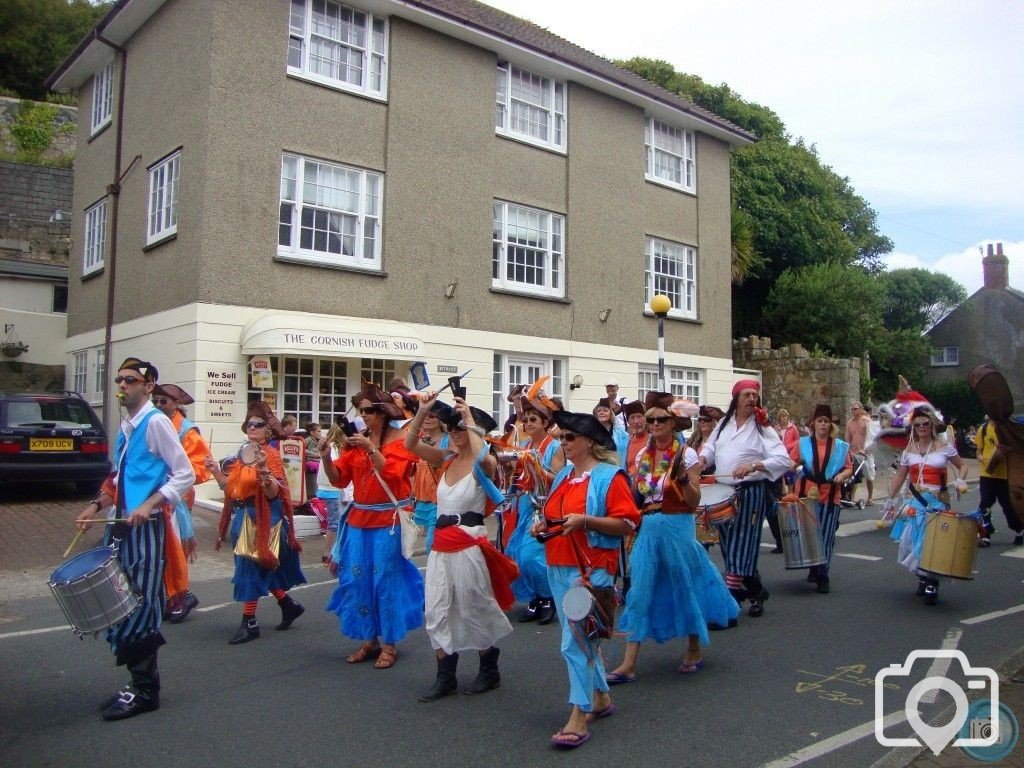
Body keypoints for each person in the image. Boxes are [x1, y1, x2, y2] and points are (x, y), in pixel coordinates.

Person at [76, 358, 195, 721]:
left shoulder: (156, 422)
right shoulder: (127, 425)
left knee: (140, 605)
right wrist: (95, 507)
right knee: (121, 601)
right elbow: (119, 477)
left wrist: (150, 503)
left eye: (130, 380)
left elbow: (184, 474)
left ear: (148, 386)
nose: (122, 385)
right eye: (119, 380)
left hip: (147, 528)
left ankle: (146, 691)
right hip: (122, 527)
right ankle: (137, 682)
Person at [606, 392, 740, 685]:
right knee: (639, 591)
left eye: (660, 419)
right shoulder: (643, 456)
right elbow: (638, 496)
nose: (653, 424)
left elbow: (693, 501)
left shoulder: (686, 454)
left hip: (677, 527)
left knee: (685, 586)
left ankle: (693, 649)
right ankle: (628, 664)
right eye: (650, 419)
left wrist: (681, 480)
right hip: (649, 528)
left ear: (673, 423)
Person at [531, 410, 640, 749]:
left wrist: (587, 520)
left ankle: (578, 713)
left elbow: (628, 523)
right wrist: (543, 528)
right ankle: (601, 699)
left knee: (575, 642)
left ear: (589, 442)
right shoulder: (565, 475)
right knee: (582, 639)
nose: (563, 443)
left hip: (591, 569)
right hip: (558, 564)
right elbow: (555, 517)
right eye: (561, 437)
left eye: (569, 437)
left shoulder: (610, 476)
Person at [403, 395, 516, 701]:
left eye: (459, 428)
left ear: (474, 432)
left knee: (473, 604)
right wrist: (423, 411)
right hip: (441, 545)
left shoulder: (485, 464)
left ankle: (489, 670)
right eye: (450, 428)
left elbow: (484, 458)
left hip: (469, 544)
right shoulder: (445, 459)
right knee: (437, 607)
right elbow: (410, 445)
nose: (453, 433)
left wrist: (471, 423)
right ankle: (445, 676)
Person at [320, 381, 423, 669]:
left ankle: (388, 644)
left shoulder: (400, 440)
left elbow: (393, 474)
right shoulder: (358, 440)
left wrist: (371, 449)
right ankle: (369, 639)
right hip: (358, 520)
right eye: (361, 410)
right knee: (357, 579)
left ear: (382, 413)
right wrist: (327, 456)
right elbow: (339, 479)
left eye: (368, 410)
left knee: (385, 581)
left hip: (388, 521)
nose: (362, 415)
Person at [207, 403, 306, 644]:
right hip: (244, 516)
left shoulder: (269, 456)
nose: (252, 427)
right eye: (249, 424)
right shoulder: (244, 453)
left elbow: (274, 493)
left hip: (262, 519)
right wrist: (215, 472)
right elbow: (233, 490)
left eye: (258, 424)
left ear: (268, 432)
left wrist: (263, 470)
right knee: (261, 568)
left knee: (248, 569)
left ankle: (249, 622)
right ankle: (288, 604)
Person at [698, 380, 791, 617]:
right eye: (747, 395)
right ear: (736, 398)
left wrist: (754, 465)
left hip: (750, 492)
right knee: (731, 546)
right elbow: (710, 449)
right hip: (724, 490)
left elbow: (783, 460)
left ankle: (729, 598)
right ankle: (756, 591)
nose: (752, 399)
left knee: (743, 542)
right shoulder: (723, 424)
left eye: (755, 395)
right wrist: (701, 461)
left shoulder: (763, 428)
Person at [885, 406, 969, 605]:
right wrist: (891, 498)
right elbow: (900, 475)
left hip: (937, 500)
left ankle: (932, 582)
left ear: (931, 425)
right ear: (913, 427)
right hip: (915, 501)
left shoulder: (944, 446)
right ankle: (923, 576)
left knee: (931, 542)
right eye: (917, 424)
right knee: (912, 542)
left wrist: (961, 480)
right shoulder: (909, 449)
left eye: (925, 423)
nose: (922, 427)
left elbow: (962, 465)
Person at [151, 383, 212, 623]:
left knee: (173, 550)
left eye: (162, 402)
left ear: (175, 404)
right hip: (151, 498)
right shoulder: (151, 424)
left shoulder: (187, 431)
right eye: (154, 401)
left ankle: (180, 595)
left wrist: (172, 480)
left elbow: (200, 467)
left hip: (174, 501)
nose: (157, 406)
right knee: (157, 551)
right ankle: (166, 596)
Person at [505, 395, 563, 624]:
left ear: (545, 423)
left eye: (533, 420)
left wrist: (535, 466)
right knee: (516, 554)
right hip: (525, 505)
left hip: (544, 506)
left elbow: (558, 479)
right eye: (526, 420)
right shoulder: (525, 446)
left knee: (532, 555)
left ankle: (548, 597)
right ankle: (535, 597)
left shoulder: (555, 447)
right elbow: (518, 477)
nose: (528, 424)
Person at [787, 404, 853, 594]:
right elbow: (793, 460)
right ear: (813, 424)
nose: (823, 424)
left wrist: (843, 476)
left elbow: (848, 467)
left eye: (826, 421)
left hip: (831, 494)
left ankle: (823, 574)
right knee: (809, 533)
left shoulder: (839, 446)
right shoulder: (803, 443)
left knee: (826, 535)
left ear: (830, 424)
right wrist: (791, 465)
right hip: (807, 494)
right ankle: (813, 566)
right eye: (820, 421)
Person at [975, 416, 1022, 546]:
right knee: (985, 503)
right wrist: (979, 457)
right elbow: (979, 449)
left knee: (1008, 506)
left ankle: (1018, 530)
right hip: (986, 474)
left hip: (1005, 475)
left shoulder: (1009, 430)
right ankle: (985, 534)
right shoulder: (983, 429)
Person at [410, 405, 450, 554]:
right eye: (425, 415)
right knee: (433, 542)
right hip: (423, 498)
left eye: (432, 416)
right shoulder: (419, 440)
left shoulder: (448, 439)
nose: (427, 418)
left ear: (440, 420)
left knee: (430, 543)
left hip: (439, 497)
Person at [317, 423, 353, 569]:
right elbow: (335, 472)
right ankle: (328, 554)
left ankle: (335, 552)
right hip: (331, 490)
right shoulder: (333, 449)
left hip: (331, 489)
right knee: (335, 523)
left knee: (338, 522)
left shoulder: (332, 448)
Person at [845, 401, 877, 506]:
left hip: (866, 452)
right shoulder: (850, 423)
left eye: (855, 409)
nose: (853, 411)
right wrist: (848, 451)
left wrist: (866, 448)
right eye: (852, 409)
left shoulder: (867, 421)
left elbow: (872, 437)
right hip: (855, 452)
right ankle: (852, 498)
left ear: (861, 409)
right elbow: (847, 439)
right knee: (854, 475)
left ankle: (870, 497)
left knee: (869, 475)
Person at [593, 398, 629, 467]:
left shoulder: (620, 433)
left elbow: (625, 450)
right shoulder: (593, 433)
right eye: (599, 411)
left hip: (616, 466)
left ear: (610, 414)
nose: (601, 412)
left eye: (605, 410)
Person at [623, 401, 649, 475]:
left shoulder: (654, 440)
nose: (636, 421)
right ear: (628, 422)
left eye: (639, 416)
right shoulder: (626, 442)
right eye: (632, 417)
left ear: (646, 419)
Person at [303, 421, 322, 500]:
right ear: (311, 432)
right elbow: (302, 449)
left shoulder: (320, 440)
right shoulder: (308, 440)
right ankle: (317, 489)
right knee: (319, 467)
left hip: (318, 460)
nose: (320, 433)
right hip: (309, 461)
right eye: (318, 431)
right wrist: (314, 454)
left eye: (320, 431)